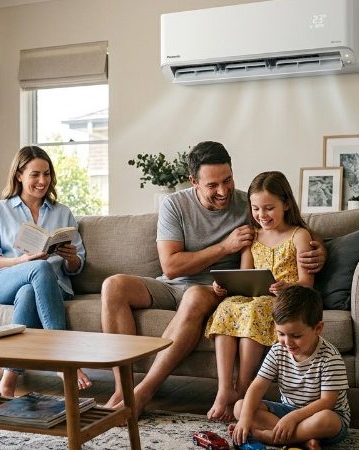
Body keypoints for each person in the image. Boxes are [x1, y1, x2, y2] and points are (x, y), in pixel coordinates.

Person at [101, 141, 325, 416]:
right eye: (212, 185)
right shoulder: (175, 204)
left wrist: (321, 251)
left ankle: (144, 392)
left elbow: (293, 227)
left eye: (228, 180)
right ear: (193, 181)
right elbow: (170, 266)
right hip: (171, 285)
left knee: (195, 294)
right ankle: (123, 389)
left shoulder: (250, 203)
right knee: (113, 285)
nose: (223, 190)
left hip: (213, 290)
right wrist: (225, 247)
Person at [0, 146, 91, 397]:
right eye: (35, 175)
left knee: (30, 291)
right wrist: (22, 262)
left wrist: (71, 259)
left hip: (51, 286)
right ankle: (62, 359)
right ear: (19, 175)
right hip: (1, 281)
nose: (42, 181)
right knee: (37, 266)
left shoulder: (62, 212)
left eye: (47, 174)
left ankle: (8, 380)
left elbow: (77, 266)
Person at [204, 171, 315, 422]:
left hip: (286, 300)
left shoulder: (299, 236)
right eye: (255, 209)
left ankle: (244, 390)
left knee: (255, 310)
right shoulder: (252, 236)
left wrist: (288, 286)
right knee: (227, 306)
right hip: (254, 297)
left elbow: (307, 282)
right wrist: (224, 287)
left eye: (268, 208)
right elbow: (244, 276)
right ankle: (224, 390)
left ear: (286, 204)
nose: (261, 215)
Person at [231, 285, 350, 450]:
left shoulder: (330, 358)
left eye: (296, 336)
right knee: (240, 407)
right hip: (287, 410)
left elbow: (327, 402)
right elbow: (257, 386)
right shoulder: (278, 350)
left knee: (327, 419)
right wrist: (244, 419)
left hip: (322, 416)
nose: (287, 342)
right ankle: (301, 440)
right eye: (281, 334)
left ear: (318, 328)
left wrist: (293, 418)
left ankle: (270, 436)